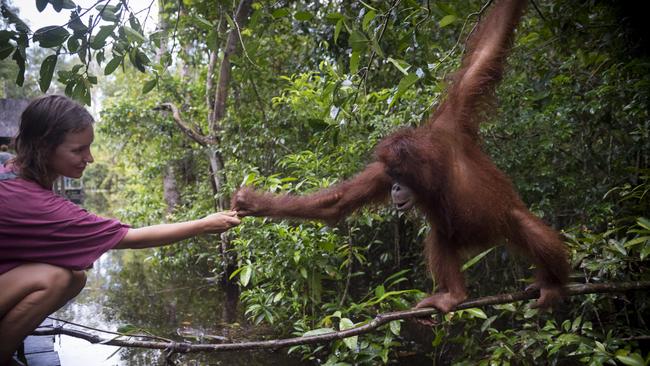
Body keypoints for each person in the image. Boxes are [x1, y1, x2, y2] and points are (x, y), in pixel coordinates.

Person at [0, 95, 241, 365]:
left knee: (75, 277)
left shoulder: (10, 166)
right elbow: (129, 237)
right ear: (45, 147)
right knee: (58, 278)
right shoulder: (35, 204)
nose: (88, 158)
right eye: (78, 150)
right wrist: (204, 224)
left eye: (88, 148)